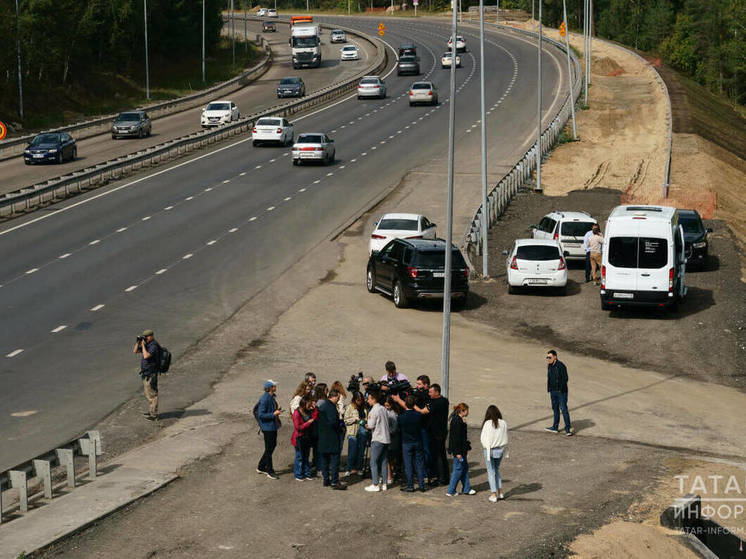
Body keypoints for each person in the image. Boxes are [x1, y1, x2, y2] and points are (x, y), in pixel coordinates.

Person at [316, 389, 347, 490]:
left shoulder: (322, 406)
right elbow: (334, 422)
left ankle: (326, 480)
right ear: (334, 396)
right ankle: (334, 481)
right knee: (334, 460)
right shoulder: (331, 407)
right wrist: (341, 429)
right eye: (338, 397)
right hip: (332, 437)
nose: (338, 399)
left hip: (322, 437)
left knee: (324, 460)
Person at [397, 395, 426, 492]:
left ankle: (410, 485)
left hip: (406, 442)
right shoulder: (418, 415)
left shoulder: (401, 417)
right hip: (417, 440)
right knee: (419, 463)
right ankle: (422, 485)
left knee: (408, 464)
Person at [446, 403, 476, 496]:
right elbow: (456, 438)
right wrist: (458, 453)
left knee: (464, 468)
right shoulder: (457, 422)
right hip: (459, 452)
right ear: (462, 411)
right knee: (458, 469)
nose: (468, 412)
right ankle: (451, 490)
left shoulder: (458, 420)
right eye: (467, 410)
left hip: (461, 451)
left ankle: (466, 488)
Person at [480, 405, 508, 502]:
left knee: (491, 472)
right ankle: (500, 492)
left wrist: (485, 446)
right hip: (500, 450)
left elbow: (483, 438)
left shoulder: (487, 423)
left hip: (489, 450)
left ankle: (493, 494)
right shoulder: (503, 423)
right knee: (496, 470)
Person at [364, 388, 390, 492]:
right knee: (383, 461)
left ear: (373, 399)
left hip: (378, 438)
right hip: (386, 438)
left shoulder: (374, 410)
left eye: (369, 399)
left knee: (373, 462)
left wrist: (366, 425)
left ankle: (375, 484)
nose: (367, 401)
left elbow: (370, 425)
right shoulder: (383, 408)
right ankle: (384, 483)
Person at [133, 329, 161, 420]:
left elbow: (146, 356)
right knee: (148, 394)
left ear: (151, 336)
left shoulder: (153, 345)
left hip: (151, 374)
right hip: (146, 373)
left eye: (147, 337)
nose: (146, 338)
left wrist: (144, 346)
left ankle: (154, 415)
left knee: (152, 394)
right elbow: (135, 351)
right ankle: (151, 411)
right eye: (145, 337)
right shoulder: (148, 344)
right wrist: (138, 343)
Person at [256, 380, 282, 479]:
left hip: (272, 426)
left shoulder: (271, 397)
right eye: (274, 385)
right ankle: (269, 470)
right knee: (269, 448)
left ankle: (261, 466)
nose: (276, 386)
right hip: (268, 428)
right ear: (270, 387)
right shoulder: (265, 399)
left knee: (271, 446)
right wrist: (273, 414)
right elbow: (261, 415)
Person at [545, 350, 573, 436]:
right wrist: (549, 388)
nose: (548, 359)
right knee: (555, 408)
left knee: (564, 409)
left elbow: (565, 378)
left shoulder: (561, 366)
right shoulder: (549, 366)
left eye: (550, 357)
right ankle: (555, 427)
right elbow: (549, 378)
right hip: (553, 391)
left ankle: (568, 429)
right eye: (547, 357)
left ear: (555, 357)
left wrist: (560, 389)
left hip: (561, 392)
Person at [427, 384, 450, 487]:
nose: (429, 394)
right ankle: (445, 477)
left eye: (430, 392)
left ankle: (440, 479)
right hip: (442, 432)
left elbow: (424, 411)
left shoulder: (437, 403)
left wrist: (413, 405)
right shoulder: (444, 401)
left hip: (436, 433)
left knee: (438, 456)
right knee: (442, 455)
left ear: (437, 392)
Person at [292, 396, 317, 481]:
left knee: (306, 456)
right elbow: (298, 427)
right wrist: (308, 423)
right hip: (299, 438)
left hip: (306, 437)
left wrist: (314, 408)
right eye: (309, 404)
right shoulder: (296, 413)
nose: (310, 406)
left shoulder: (307, 411)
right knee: (299, 457)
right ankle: (298, 474)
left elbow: (314, 417)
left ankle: (307, 473)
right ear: (304, 404)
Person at [343, 391, 367, 476]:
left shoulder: (364, 407)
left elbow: (367, 418)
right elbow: (345, 420)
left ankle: (359, 468)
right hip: (352, 431)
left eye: (361, 400)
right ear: (354, 400)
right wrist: (354, 419)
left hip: (363, 430)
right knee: (352, 452)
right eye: (358, 400)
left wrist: (365, 420)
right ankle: (349, 468)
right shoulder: (350, 407)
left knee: (361, 451)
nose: (359, 402)